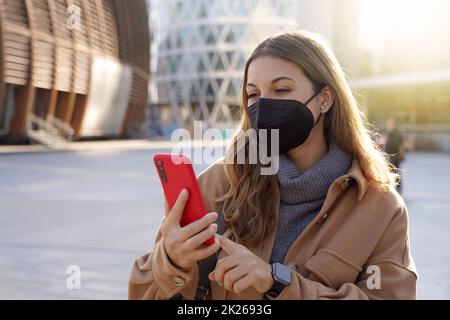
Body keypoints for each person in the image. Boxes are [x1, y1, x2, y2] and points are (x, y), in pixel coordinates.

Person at [128, 31, 417, 300]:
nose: (264, 105)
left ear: (325, 99)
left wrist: (278, 283)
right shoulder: (221, 182)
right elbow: (143, 290)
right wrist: (171, 261)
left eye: (281, 90)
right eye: (253, 94)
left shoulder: (381, 209)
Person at [383, 117, 405, 194]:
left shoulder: (396, 134)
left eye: (390, 124)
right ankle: (392, 189)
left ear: (394, 125)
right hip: (389, 157)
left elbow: (396, 145)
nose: (388, 126)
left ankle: (398, 189)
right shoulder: (389, 133)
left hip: (395, 157)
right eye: (388, 124)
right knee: (390, 173)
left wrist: (386, 140)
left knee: (396, 173)